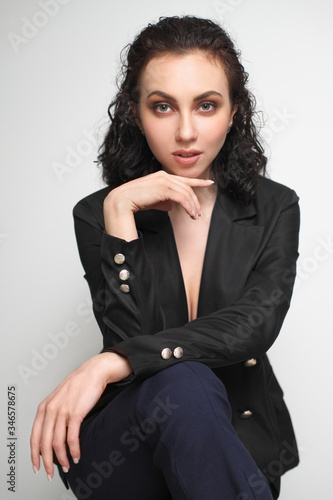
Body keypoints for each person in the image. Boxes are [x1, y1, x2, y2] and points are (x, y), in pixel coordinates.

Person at [30, 15, 300, 500]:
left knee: (189, 383)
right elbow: (131, 339)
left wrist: (106, 364)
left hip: (241, 442)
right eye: (162, 107)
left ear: (234, 111)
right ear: (135, 112)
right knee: (183, 381)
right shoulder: (99, 214)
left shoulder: (275, 207)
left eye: (207, 105)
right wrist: (119, 211)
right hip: (126, 448)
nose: (185, 132)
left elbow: (255, 325)